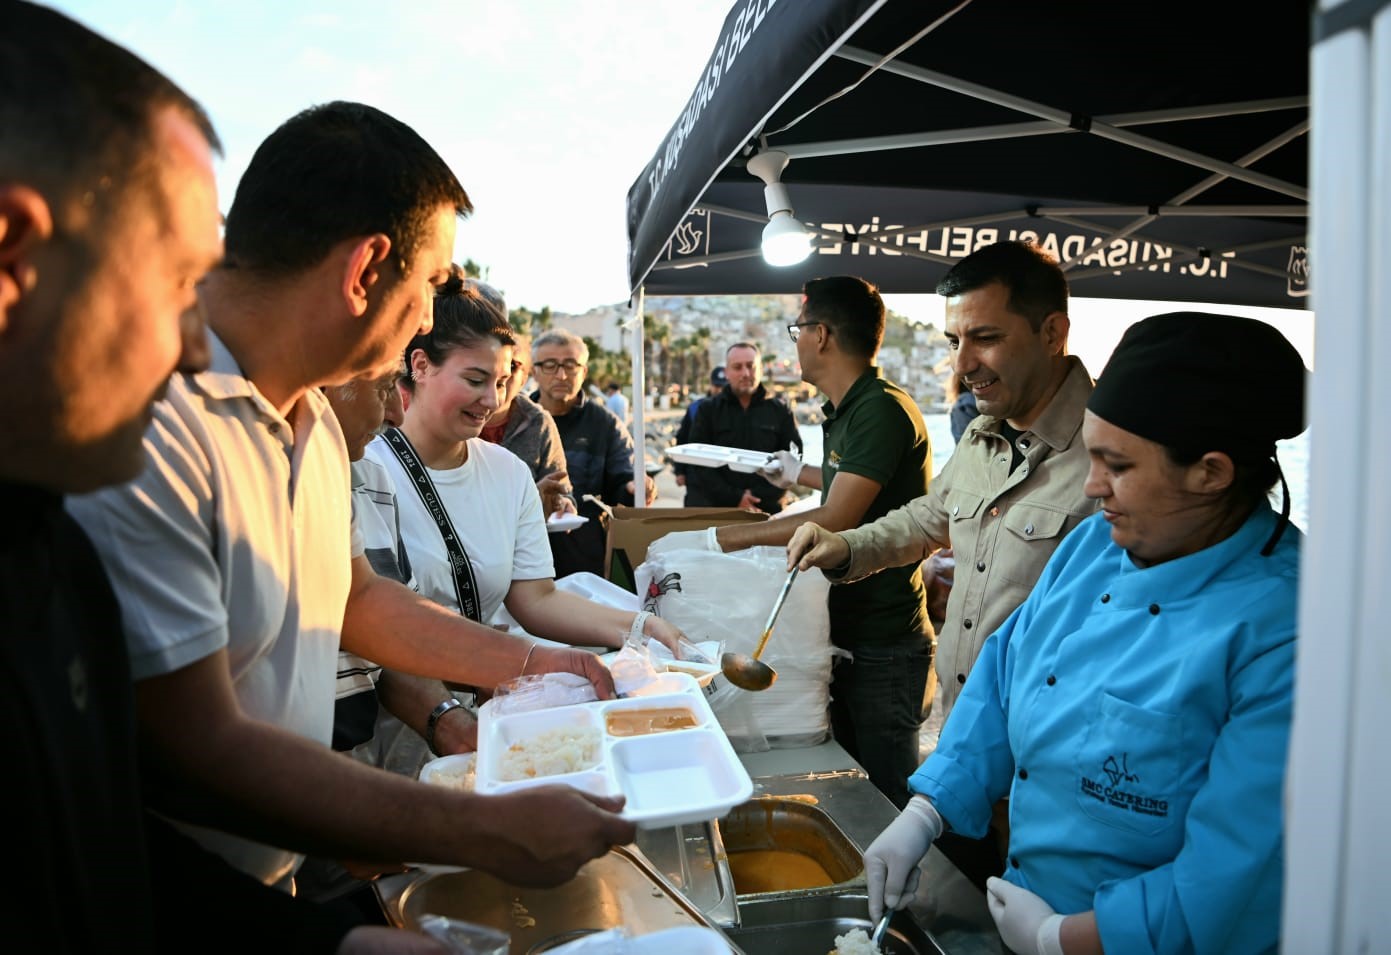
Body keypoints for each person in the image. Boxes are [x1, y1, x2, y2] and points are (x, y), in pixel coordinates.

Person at [66, 100, 635, 891]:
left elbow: (357, 599)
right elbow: (195, 747)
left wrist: (537, 662)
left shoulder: (317, 421)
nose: (433, 314)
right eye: (433, 282)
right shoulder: (152, 425)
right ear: (366, 269)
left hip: (279, 875)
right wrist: (479, 827)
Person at [0, 5, 441, 951]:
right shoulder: (134, 457)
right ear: (11, 256)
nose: (194, 347)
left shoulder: (44, 559)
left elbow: (112, 850)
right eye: (170, 284)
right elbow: (191, 759)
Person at [826, 312, 1306, 955]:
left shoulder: (1290, 629)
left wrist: (1064, 939)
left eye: (1117, 465)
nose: (1091, 485)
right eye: (1091, 453)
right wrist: (928, 810)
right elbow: (1003, 674)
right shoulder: (1093, 546)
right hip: (1027, 894)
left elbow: (1235, 871)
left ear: (1211, 473)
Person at [786, 242, 1097, 885]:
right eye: (955, 340)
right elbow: (928, 520)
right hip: (963, 749)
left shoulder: (1108, 457)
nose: (963, 366)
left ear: (1053, 332)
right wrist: (846, 547)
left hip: (1054, 778)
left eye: (984, 338)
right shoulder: (985, 432)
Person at [654, 276, 932, 809]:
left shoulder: (879, 409)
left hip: (884, 638)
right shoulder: (848, 409)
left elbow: (836, 516)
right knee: (850, 782)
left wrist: (725, 538)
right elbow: (850, 486)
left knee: (887, 792)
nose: (796, 340)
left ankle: (900, 894)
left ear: (821, 334)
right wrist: (798, 473)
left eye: (798, 329)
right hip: (845, 629)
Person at [367, 272, 690, 654]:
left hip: (487, 696)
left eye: (503, 382)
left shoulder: (510, 473)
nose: (491, 399)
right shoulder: (369, 468)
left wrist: (641, 625)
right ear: (419, 366)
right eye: (475, 380)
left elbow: (537, 600)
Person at [439, 276, 574, 519]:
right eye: (475, 378)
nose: (490, 398)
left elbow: (562, 491)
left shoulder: (537, 423)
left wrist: (557, 501)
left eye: (506, 372)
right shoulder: (420, 426)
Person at [531, 326, 656, 578]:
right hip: (524, 549)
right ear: (534, 370)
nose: (561, 375)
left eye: (570, 365)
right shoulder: (519, 419)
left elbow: (623, 477)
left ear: (584, 371)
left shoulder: (605, 424)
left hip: (585, 555)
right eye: (550, 365)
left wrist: (636, 487)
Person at [684, 341, 803, 514]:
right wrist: (735, 497)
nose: (745, 373)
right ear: (727, 372)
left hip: (768, 511)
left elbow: (793, 457)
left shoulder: (780, 411)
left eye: (751, 366)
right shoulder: (708, 410)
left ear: (760, 369)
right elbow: (699, 462)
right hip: (716, 510)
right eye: (737, 367)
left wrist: (758, 496)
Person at [672, 365, 727, 491]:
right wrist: (680, 470)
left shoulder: (735, 411)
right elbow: (682, 439)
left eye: (723, 387)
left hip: (726, 476)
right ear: (711, 385)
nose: (720, 390)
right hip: (696, 474)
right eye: (717, 386)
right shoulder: (695, 408)